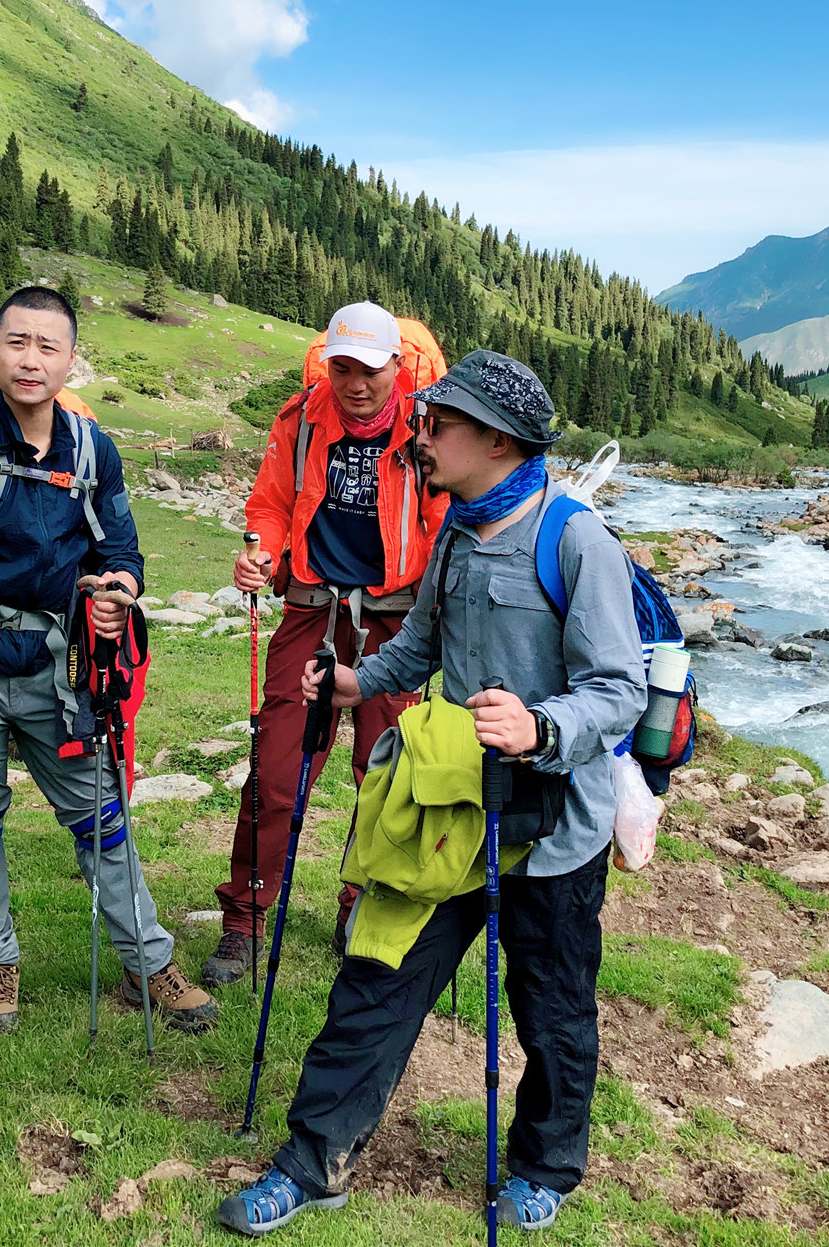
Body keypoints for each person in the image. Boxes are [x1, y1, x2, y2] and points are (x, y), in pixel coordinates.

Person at [216, 350, 646, 1237]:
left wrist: (540, 726)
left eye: (439, 423)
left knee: (552, 1006)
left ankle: (547, 1167)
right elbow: (418, 648)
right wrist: (355, 682)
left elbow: (619, 688)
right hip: (452, 808)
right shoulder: (455, 532)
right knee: (375, 974)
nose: (422, 433)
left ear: (496, 441)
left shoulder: (575, 540)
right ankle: (313, 1162)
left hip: (556, 829)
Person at [0, 285, 219, 1035]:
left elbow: (122, 550)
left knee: (102, 816)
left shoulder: (91, 450)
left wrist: (118, 592)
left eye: (48, 346)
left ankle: (147, 961)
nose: (31, 359)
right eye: (16, 342)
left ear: (70, 359)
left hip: (59, 667)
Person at [204, 303, 448, 984]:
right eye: (343, 368)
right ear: (327, 365)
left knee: (384, 775)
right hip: (312, 609)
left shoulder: (429, 428)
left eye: (371, 369)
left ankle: (360, 910)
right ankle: (245, 920)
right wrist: (261, 553)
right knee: (278, 770)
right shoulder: (301, 419)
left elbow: (445, 515)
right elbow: (271, 505)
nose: (357, 384)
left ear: (396, 364)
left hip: (396, 622)